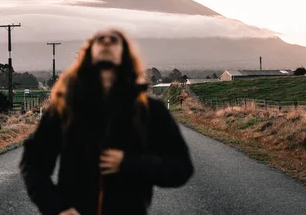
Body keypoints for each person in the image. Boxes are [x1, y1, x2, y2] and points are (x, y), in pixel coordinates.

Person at [20, 29, 194, 215]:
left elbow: (181, 167)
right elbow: (33, 163)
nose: (106, 42)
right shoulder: (65, 108)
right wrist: (56, 208)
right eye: (100, 40)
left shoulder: (150, 110)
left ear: (124, 55)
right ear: (89, 54)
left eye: (114, 40)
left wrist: (129, 163)